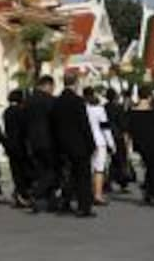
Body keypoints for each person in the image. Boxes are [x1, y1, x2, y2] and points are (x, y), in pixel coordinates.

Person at [50, 72, 96, 218]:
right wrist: (91, 143)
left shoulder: (57, 102)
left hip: (62, 144)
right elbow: (84, 125)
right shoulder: (77, 101)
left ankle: (65, 202)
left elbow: (54, 125)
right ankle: (84, 206)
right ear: (75, 83)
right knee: (83, 176)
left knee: (68, 175)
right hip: (79, 145)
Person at [127, 87, 154, 207]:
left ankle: (148, 192)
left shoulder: (132, 112)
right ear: (149, 97)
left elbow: (129, 129)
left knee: (149, 168)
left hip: (140, 144)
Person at [25, 75, 58, 213]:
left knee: (42, 171)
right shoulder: (50, 101)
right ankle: (36, 193)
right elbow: (55, 121)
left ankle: (50, 202)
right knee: (52, 171)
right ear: (47, 86)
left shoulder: (29, 101)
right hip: (48, 141)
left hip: (33, 141)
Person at [84, 87, 113, 206]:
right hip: (100, 141)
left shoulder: (83, 109)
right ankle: (98, 195)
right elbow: (105, 128)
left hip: (86, 141)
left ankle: (88, 193)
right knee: (99, 169)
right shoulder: (100, 109)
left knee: (88, 169)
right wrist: (111, 143)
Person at [2, 89, 32, 207]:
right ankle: (22, 194)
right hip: (21, 145)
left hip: (10, 145)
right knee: (23, 171)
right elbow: (24, 129)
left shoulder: (7, 111)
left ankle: (18, 193)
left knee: (15, 171)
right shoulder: (21, 111)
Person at [104, 88, 132, 193]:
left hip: (108, 135)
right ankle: (122, 182)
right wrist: (126, 135)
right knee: (121, 160)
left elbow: (103, 123)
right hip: (118, 136)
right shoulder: (118, 108)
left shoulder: (104, 108)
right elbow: (123, 123)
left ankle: (108, 181)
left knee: (111, 160)